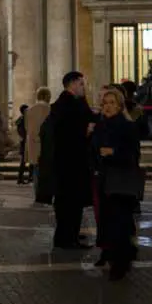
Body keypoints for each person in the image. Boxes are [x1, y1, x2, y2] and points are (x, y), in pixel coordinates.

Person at [92, 86, 142, 280]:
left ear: (120, 106)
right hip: (104, 179)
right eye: (105, 103)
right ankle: (115, 254)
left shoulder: (128, 126)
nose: (108, 107)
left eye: (112, 103)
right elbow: (93, 151)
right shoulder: (100, 126)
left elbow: (133, 154)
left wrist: (114, 153)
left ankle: (120, 263)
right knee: (108, 221)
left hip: (121, 180)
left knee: (120, 221)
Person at [49, 71, 95, 250]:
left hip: (69, 163)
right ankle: (67, 238)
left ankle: (69, 234)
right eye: (82, 84)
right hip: (70, 164)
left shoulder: (69, 103)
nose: (84, 88)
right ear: (73, 84)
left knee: (70, 203)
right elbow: (69, 133)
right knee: (70, 203)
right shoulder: (68, 105)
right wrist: (87, 131)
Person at [26, 88, 52, 200]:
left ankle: (37, 193)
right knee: (48, 170)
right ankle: (46, 193)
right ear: (47, 96)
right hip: (47, 143)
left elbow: (27, 127)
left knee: (36, 169)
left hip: (33, 143)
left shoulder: (30, 110)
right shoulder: (50, 109)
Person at [14, 103, 30, 184]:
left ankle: (22, 178)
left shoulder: (22, 119)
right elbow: (22, 131)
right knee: (26, 161)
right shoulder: (24, 119)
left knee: (27, 161)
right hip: (26, 142)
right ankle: (22, 178)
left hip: (25, 141)